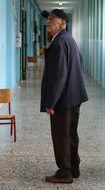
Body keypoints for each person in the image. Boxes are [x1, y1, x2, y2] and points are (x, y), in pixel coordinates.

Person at [40, 9, 88, 184]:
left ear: (62, 24)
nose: (48, 22)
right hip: (73, 96)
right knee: (70, 133)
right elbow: (79, 62)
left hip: (63, 99)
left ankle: (65, 172)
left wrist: (51, 101)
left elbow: (58, 75)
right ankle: (74, 167)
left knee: (61, 135)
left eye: (51, 19)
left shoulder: (60, 42)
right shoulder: (69, 40)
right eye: (48, 19)